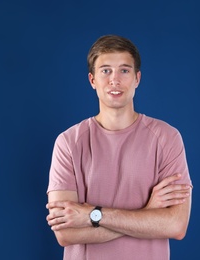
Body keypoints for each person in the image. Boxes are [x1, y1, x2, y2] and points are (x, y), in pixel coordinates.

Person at [46, 35, 192, 260]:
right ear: (92, 80)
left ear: (137, 78)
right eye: (105, 71)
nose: (115, 80)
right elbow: (65, 234)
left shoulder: (167, 138)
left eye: (124, 70)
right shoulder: (68, 143)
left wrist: (92, 215)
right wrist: (147, 215)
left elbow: (176, 225)